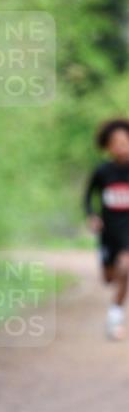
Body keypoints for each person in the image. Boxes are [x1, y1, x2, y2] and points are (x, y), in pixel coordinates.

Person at [84, 117, 129, 341]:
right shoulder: (102, 172)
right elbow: (87, 197)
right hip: (108, 231)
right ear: (107, 146)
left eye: (124, 142)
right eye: (115, 143)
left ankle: (115, 316)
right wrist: (92, 216)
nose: (120, 147)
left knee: (126, 267)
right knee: (109, 278)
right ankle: (115, 308)